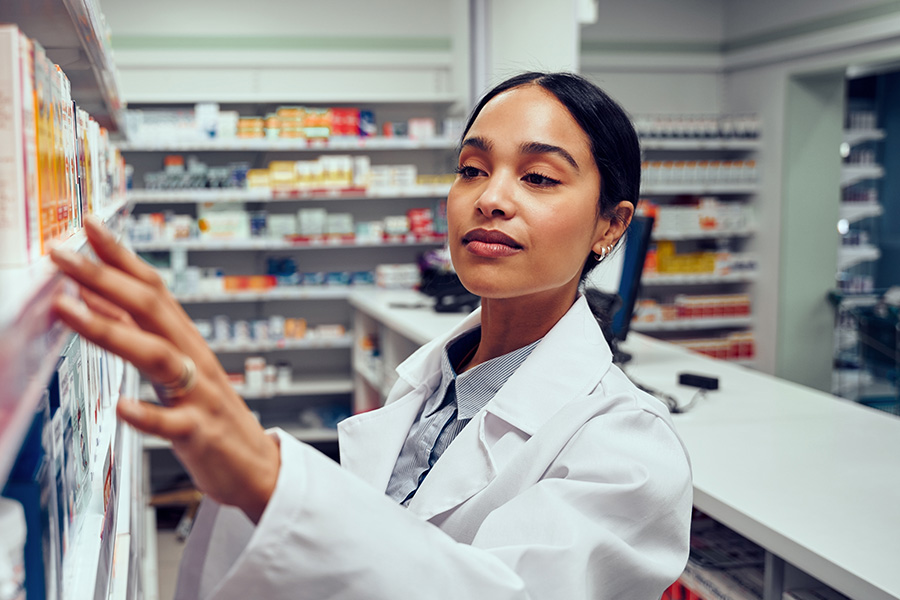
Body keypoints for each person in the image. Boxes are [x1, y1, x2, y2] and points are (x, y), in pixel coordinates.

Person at [51, 72, 692, 599]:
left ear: (611, 224)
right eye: (472, 169)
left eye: (540, 177)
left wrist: (269, 479)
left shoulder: (629, 449)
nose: (491, 198)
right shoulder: (432, 384)